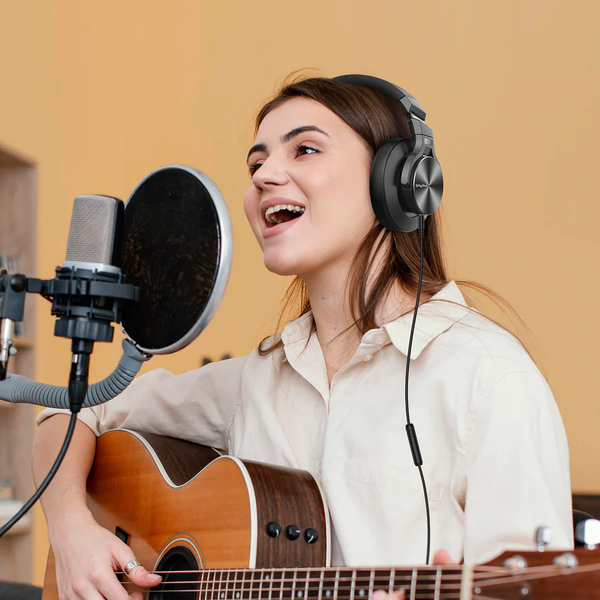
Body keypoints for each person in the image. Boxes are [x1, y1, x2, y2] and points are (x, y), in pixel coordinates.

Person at [32, 73, 573, 600]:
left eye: (305, 150)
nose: (266, 174)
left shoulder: (488, 379)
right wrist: (70, 528)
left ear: (397, 184)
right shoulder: (257, 379)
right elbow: (67, 414)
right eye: (257, 162)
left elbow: (537, 589)